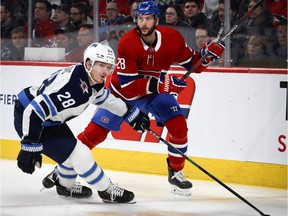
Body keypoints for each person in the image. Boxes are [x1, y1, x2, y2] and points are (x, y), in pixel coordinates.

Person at [61, 1, 225, 196]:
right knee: (93, 135)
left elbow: (193, 66)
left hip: (154, 94)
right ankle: (62, 168)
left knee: (179, 126)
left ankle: (176, 172)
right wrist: (163, 85)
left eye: (148, 18)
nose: (143, 23)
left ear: (157, 19)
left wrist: (205, 57)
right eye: (140, 18)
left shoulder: (172, 38)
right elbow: (129, 87)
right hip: (121, 95)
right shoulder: (128, 42)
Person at [14, 42, 150, 203]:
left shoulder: (88, 78)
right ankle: (106, 190)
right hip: (32, 119)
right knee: (80, 154)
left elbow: (103, 97)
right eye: (101, 65)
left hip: (48, 120)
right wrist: (29, 145)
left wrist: (130, 113)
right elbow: (34, 111)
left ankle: (65, 186)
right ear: (88, 63)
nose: (105, 71)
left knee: (70, 154)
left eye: (108, 67)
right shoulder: (72, 88)